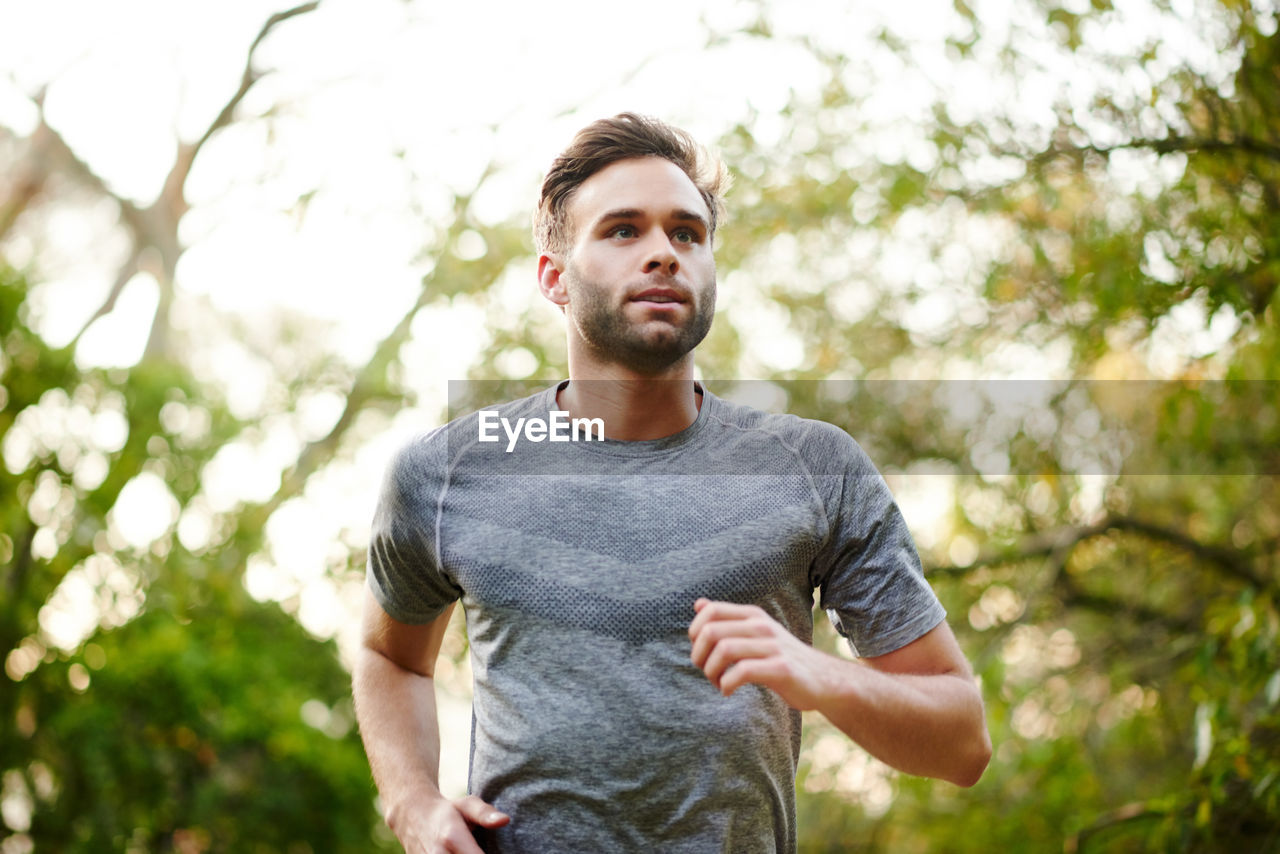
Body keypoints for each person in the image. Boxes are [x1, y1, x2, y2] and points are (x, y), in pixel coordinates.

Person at [353, 113, 991, 854]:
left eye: (687, 234)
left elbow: (962, 741)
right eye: (623, 231)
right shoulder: (448, 471)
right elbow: (390, 656)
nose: (663, 253)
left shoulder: (815, 470)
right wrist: (412, 802)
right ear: (554, 278)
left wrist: (818, 675)